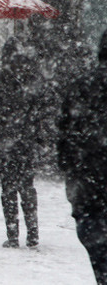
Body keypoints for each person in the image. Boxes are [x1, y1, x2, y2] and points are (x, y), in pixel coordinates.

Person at [0, 34, 43, 248]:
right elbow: (40, 108)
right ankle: (33, 233)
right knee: (27, 187)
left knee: (8, 189)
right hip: (25, 141)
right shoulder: (31, 77)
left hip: (5, 141)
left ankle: (12, 235)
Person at [58, 29, 107, 283]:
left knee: (96, 239)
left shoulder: (81, 85)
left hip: (89, 179)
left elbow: (65, 134)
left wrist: (70, 168)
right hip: (90, 174)